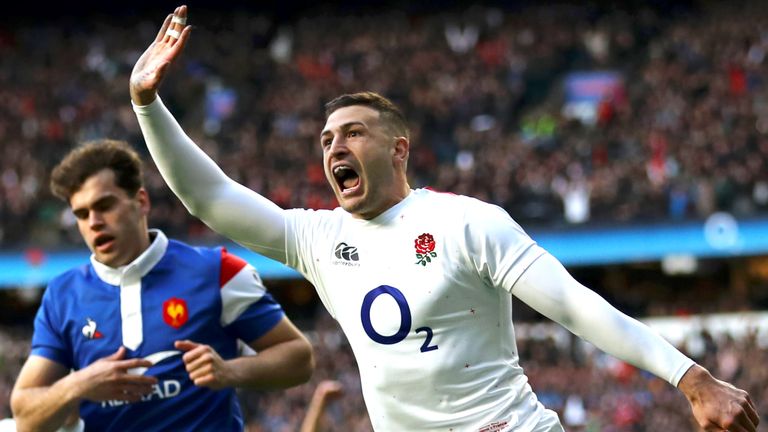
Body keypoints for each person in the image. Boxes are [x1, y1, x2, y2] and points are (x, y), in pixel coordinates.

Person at [128, 6, 760, 431]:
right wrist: (148, 104)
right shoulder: (318, 240)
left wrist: (692, 377)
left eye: (352, 133)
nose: (333, 147)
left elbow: (572, 303)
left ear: (398, 148)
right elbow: (208, 198)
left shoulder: (466, 222)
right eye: (325, 140)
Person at [10, 140, 314, 432]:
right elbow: (24, 417)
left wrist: (230, 371)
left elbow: (299, 358)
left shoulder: (216, 270)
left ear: (141, 201)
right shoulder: (63, 295)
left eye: (105, 205)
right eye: (82, 214)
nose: (94, 222)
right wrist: (78, 385)